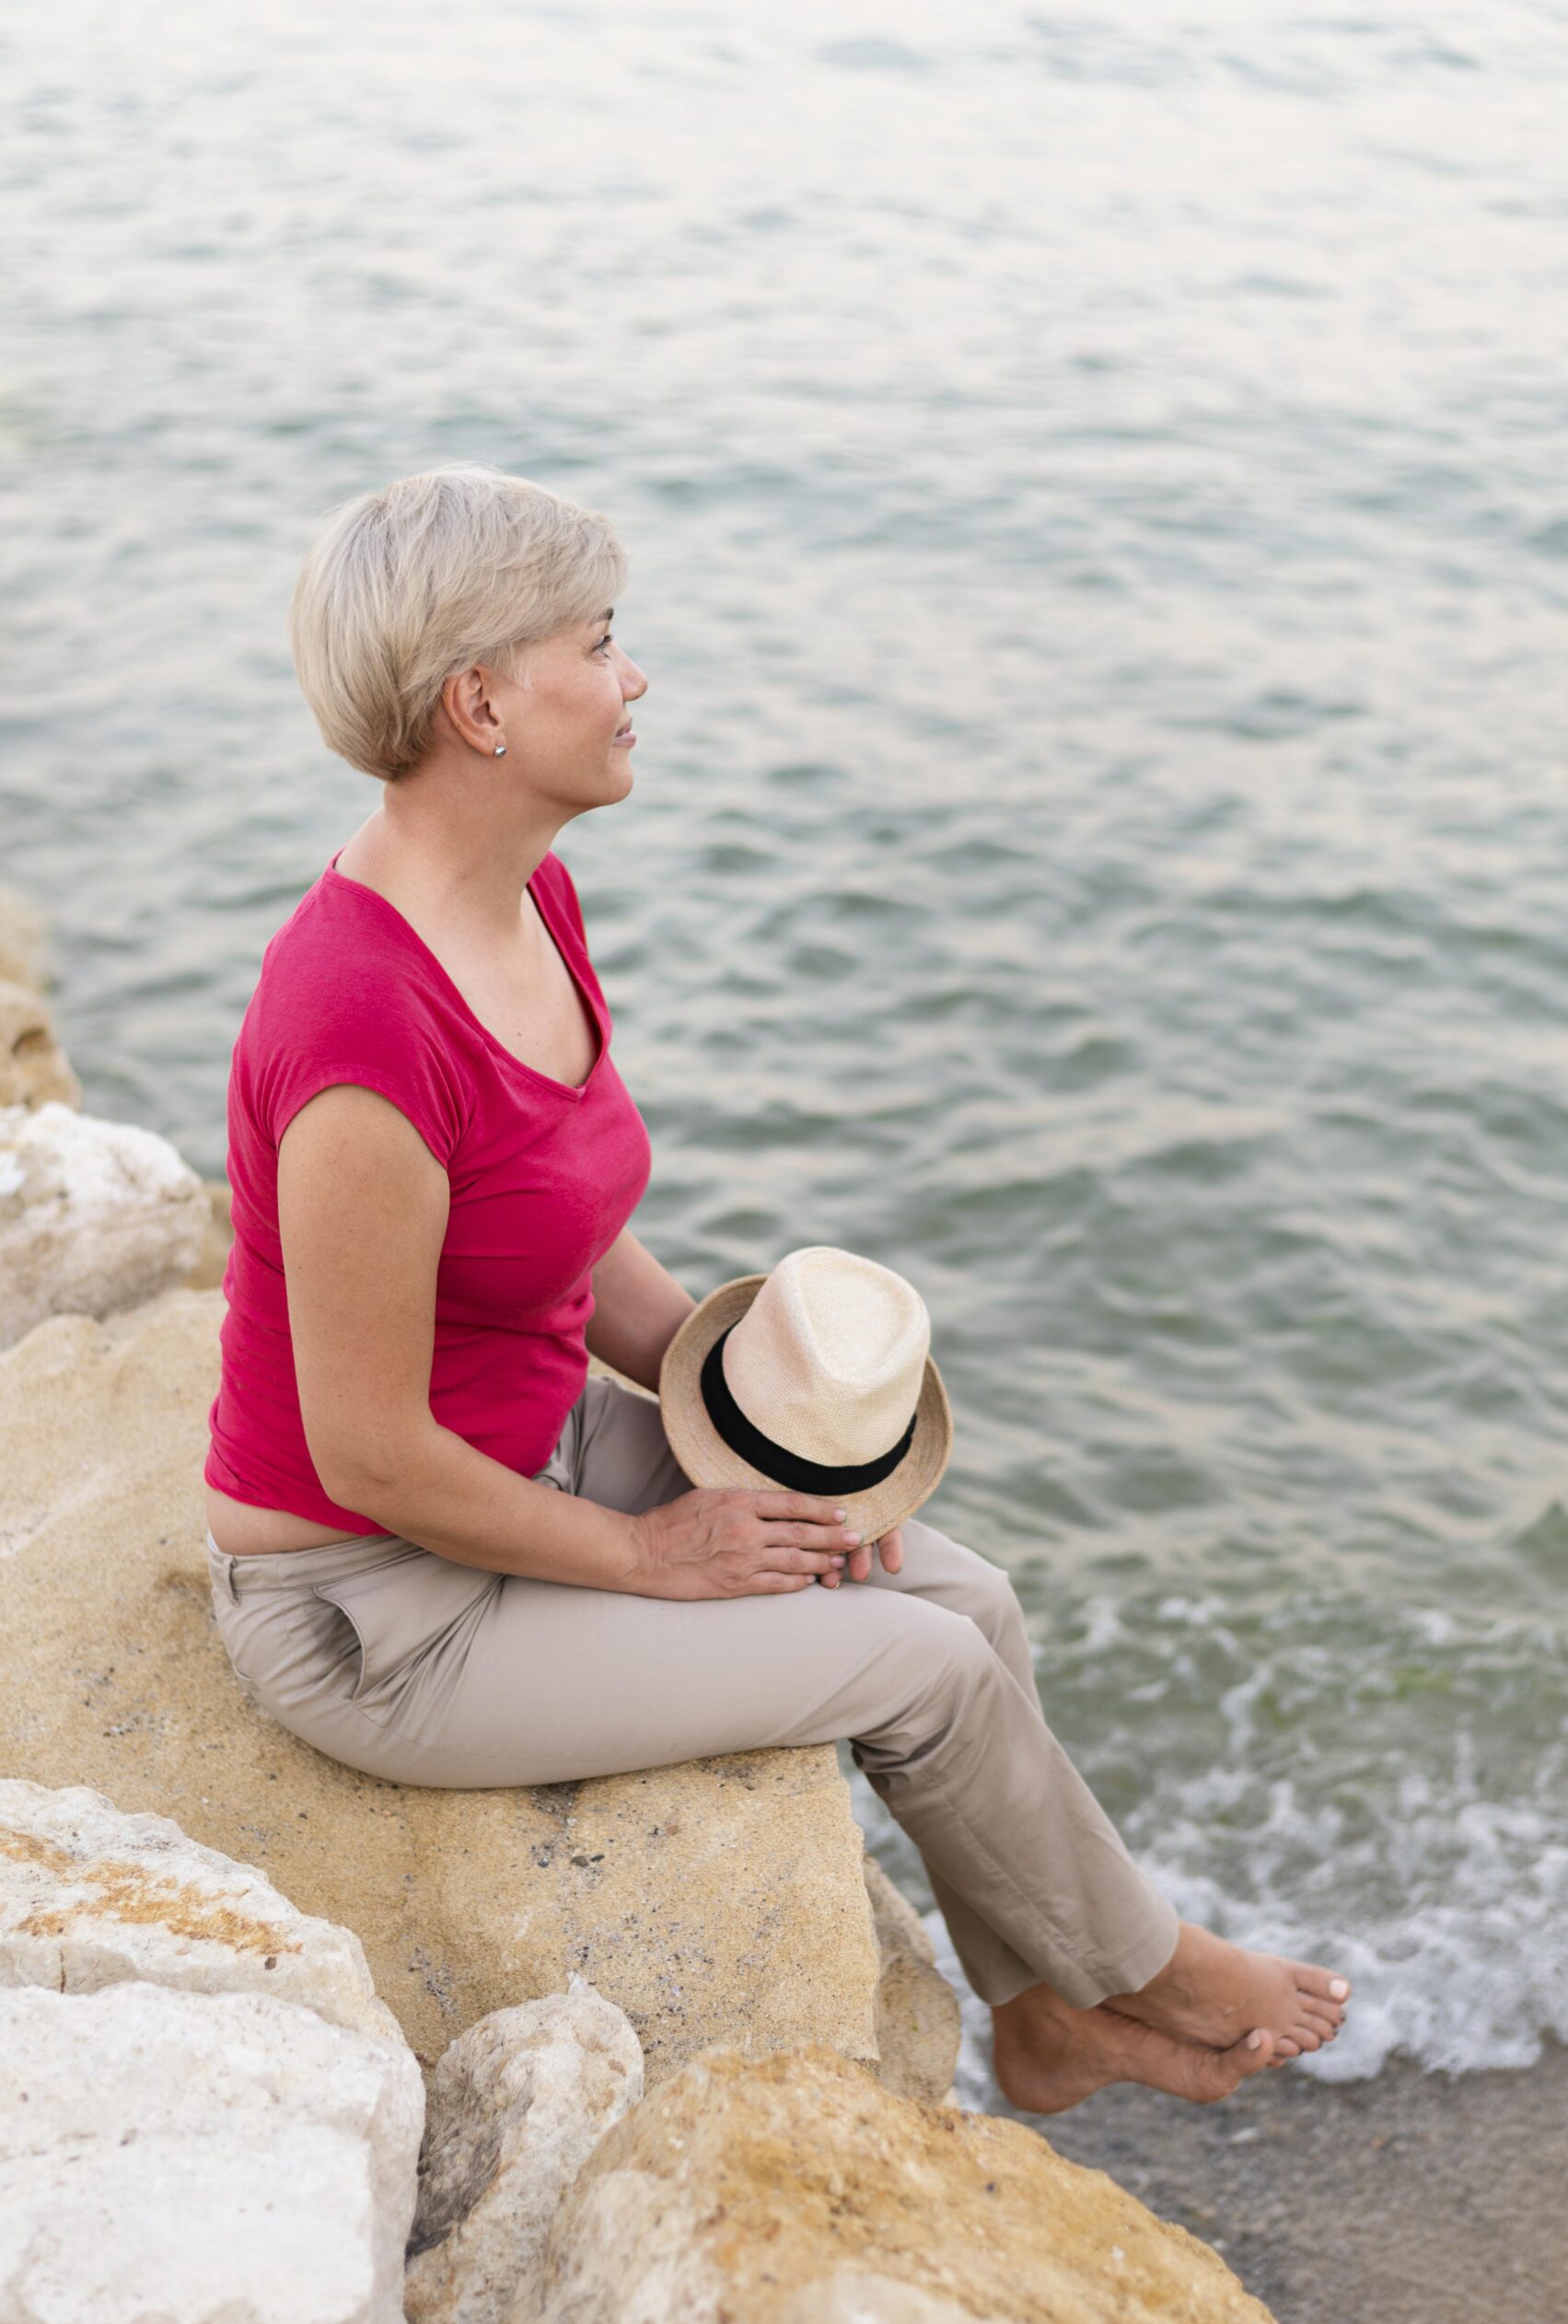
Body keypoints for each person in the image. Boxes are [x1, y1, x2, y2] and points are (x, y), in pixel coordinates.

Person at [203, 463, 1351, 2114]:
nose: (637, 675)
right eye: (598, 641)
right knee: (917, 1668)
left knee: (966, 1602)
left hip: (529, 1455)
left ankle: (1044, 2014)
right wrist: (651, 1556)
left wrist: (765, 1440)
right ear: (481, 704)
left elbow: (558, 1232)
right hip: (379, 1606)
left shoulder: (525, 899)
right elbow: (369, 1454)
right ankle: (1156, 1967)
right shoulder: (360, 1030)